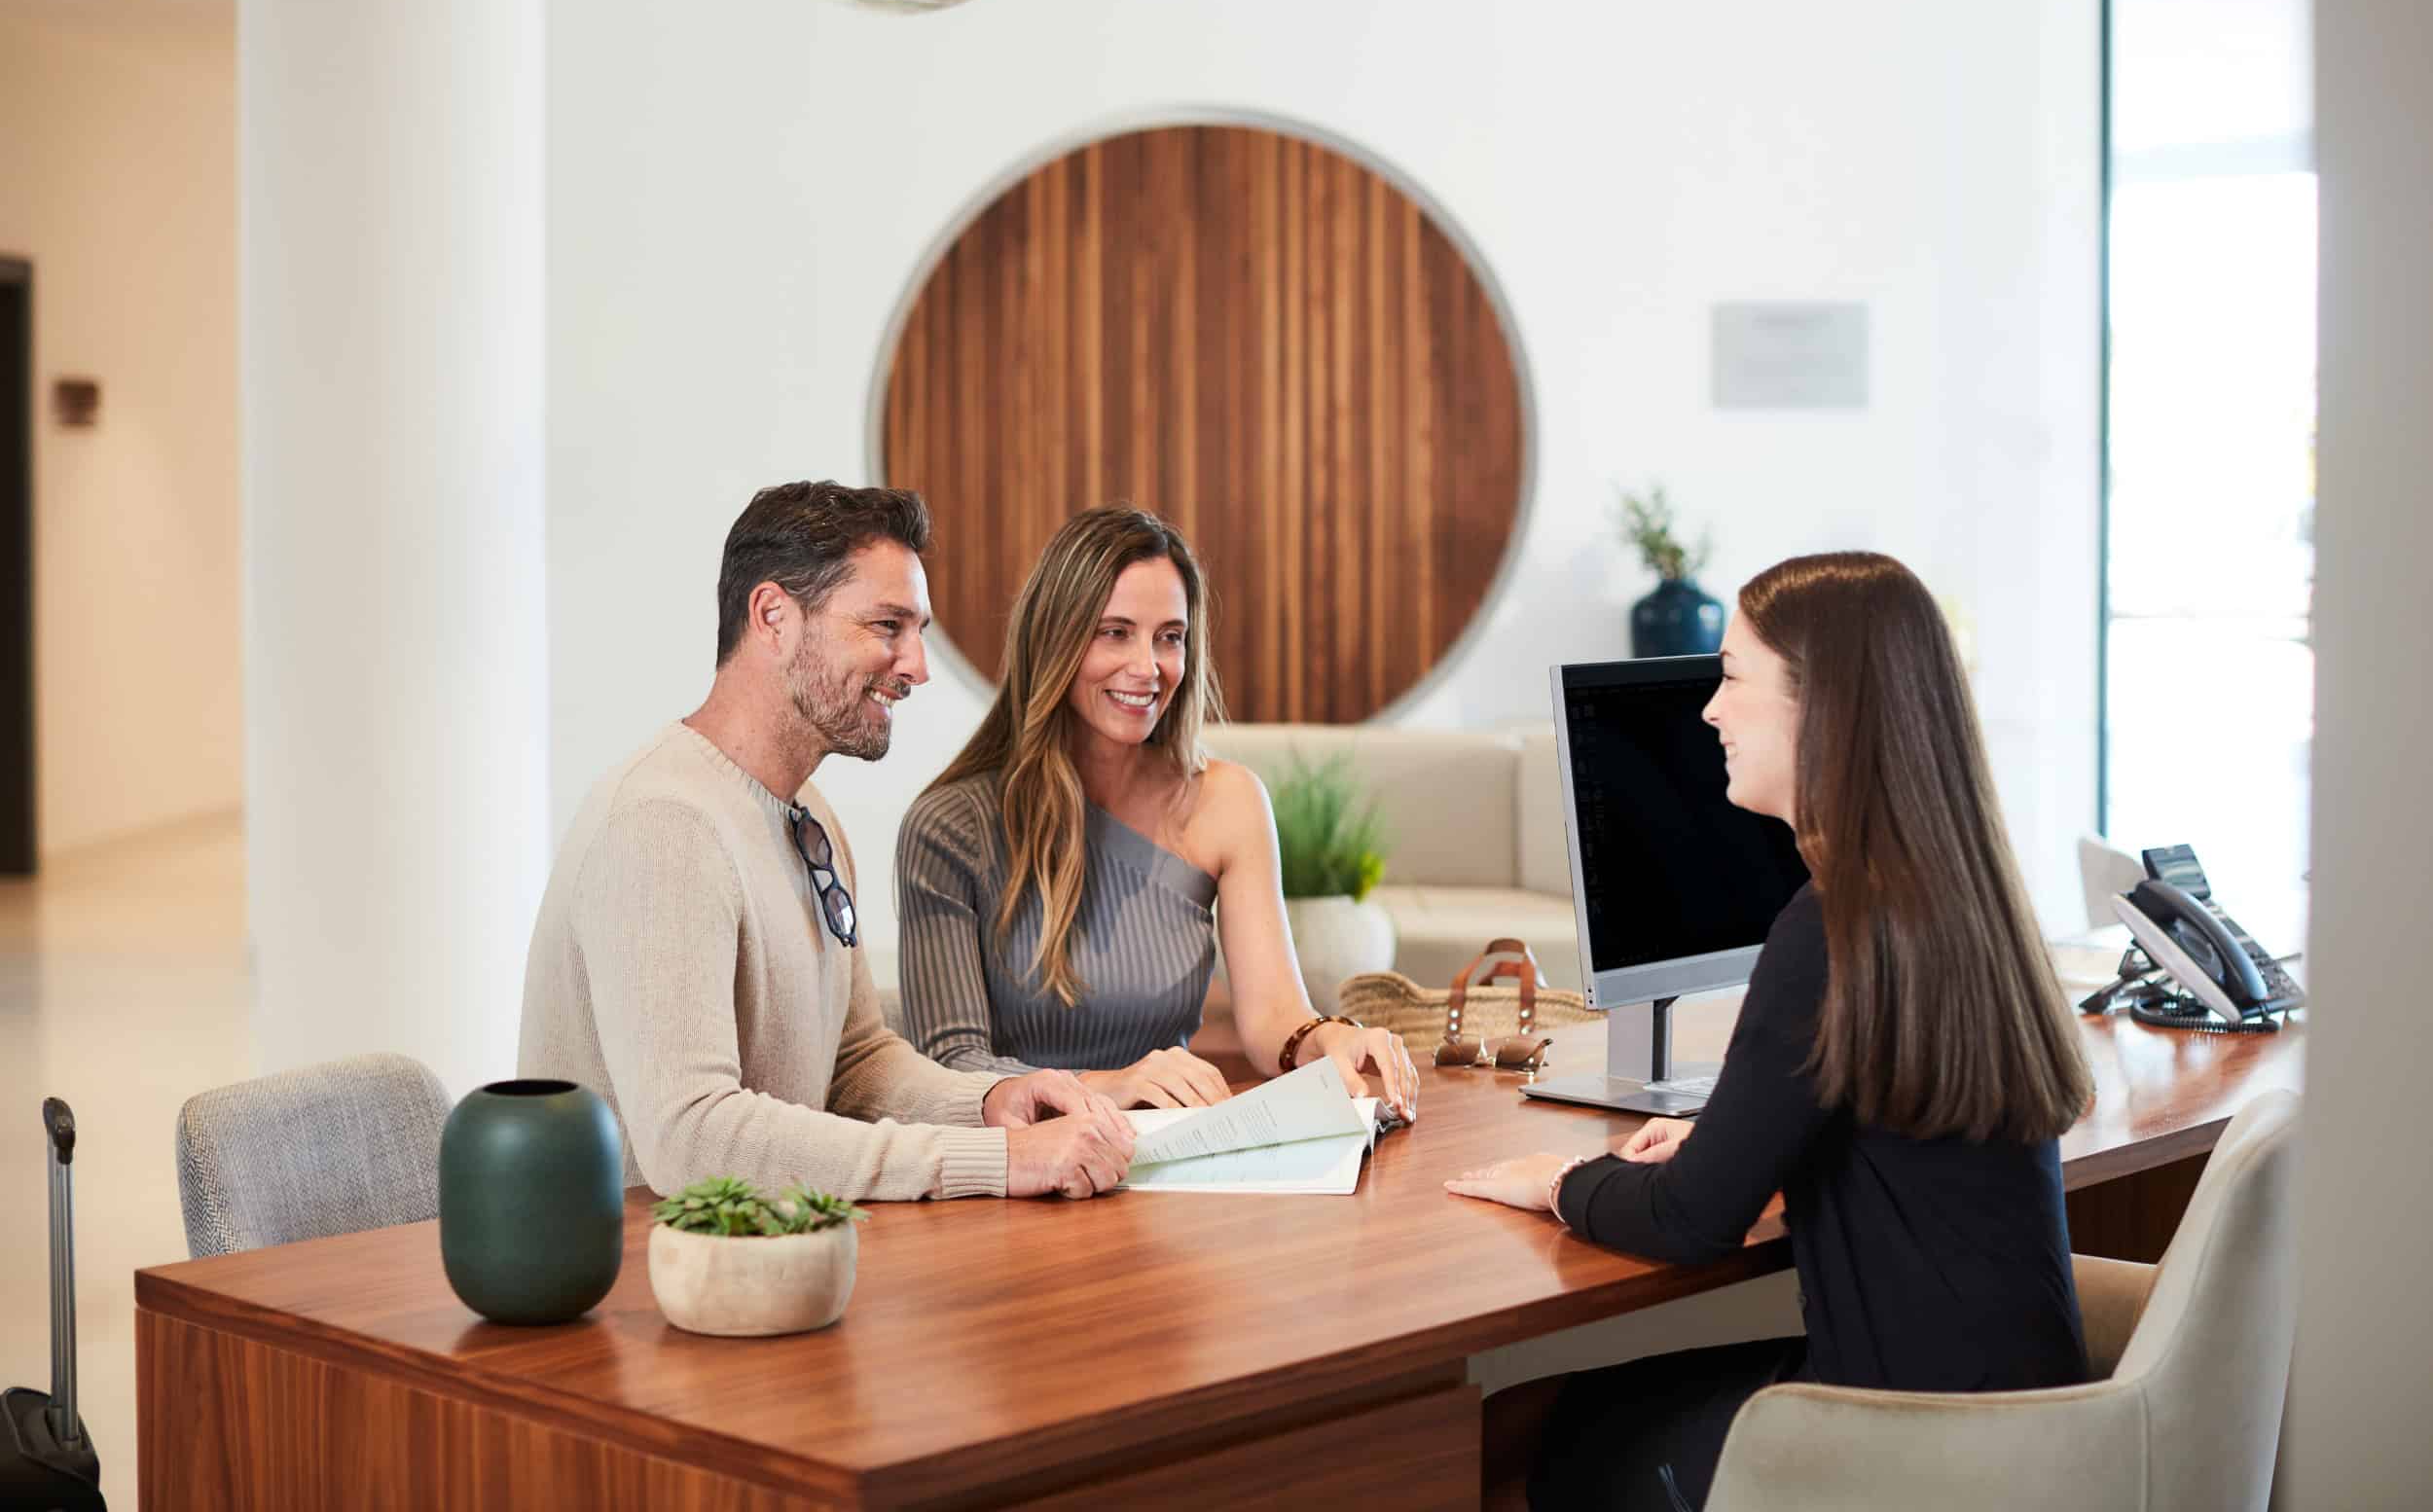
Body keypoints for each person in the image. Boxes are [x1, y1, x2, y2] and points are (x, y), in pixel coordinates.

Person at [1447, 552, 2094, 1511]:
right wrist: (1728, 1147)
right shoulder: (1958, 895)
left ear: (1821, 705)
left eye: (1732, 676)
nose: (1708, 709)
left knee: (1504, 1439)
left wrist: (1549, 1180)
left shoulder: (1829, 926)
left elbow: (1686, 1221)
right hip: (2025, 1423)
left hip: (1911, 1446)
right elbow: (1886, 1144)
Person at [518, 481, 1136, 1204]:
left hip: (769, 1260)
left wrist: (991, 1102)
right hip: (647, 1285)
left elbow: (855, 1063)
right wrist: (996, 1162)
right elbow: (691, 1138)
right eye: (886, 626)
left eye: (918, 632)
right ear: (773, 616)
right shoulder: (663, 823)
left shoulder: (807, 815)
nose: (916, 666)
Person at [895, 503, 1419, 1118]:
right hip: (1018, 1167)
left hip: (1173, 1158)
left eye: (1169, 637)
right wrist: (1106, 1085)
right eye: (1115, 632)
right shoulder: (949, 826)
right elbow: (951, 1065)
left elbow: (1274, 1017)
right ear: (1055, 639)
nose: (1148, 669)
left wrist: (1326, 1037)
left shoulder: (1228, 801)